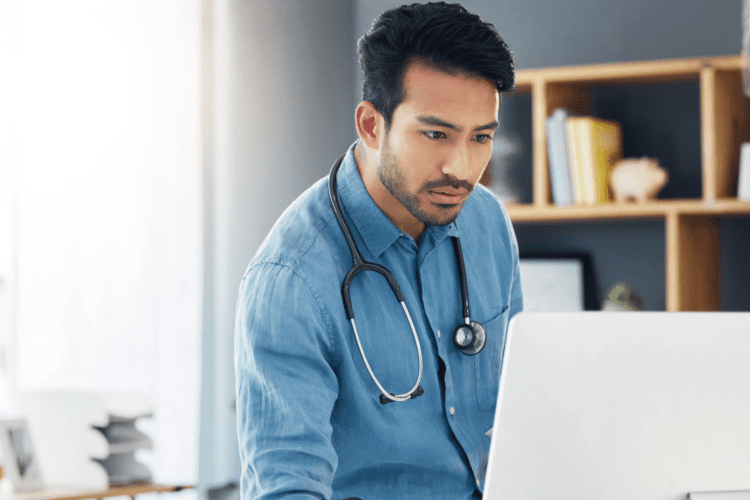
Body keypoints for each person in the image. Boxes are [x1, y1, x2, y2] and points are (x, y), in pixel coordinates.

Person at [234, 2, 522, 499]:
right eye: (436, 134)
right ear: (371, 125)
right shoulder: (290, 280)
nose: (462, 166)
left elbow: (522, 408)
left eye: (481, 138)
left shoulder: (487, 222)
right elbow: (287, 489)